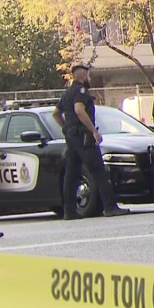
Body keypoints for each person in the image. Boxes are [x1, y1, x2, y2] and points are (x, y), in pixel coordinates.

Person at [53, 65, 130, 220]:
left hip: (72, 137)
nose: (90, 79)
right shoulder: (81, 92)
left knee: (72, 173)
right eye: (88, 76)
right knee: (99, 171)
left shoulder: (66, 93)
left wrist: (66, 128)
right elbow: (79, 110)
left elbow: (56, 113)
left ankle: (69, 211)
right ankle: (110, 207)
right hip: (83, 136)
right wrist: (93, 130)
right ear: (82, 77)